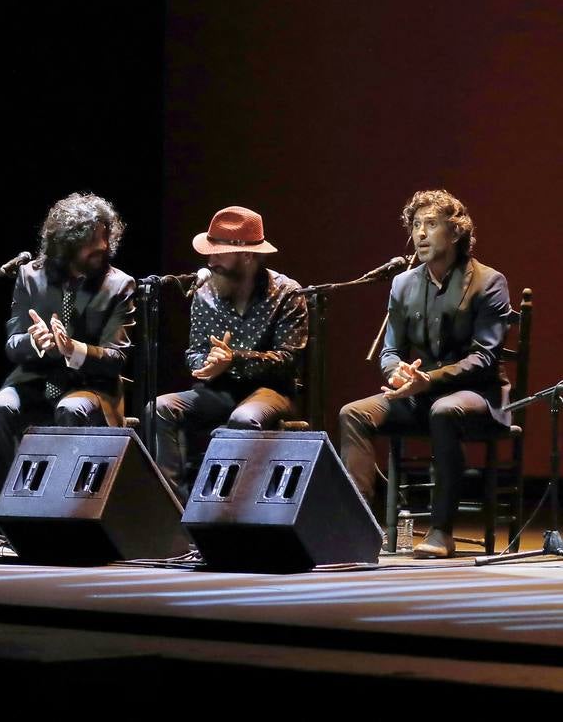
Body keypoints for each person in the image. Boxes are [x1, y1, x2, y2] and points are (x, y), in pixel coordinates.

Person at [339, 190, 511, 558]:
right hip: (421, 392)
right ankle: (358, 526)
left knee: (445, 410)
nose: (420, 233)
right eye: (416, 225)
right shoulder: (403, 283)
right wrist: (397, 372)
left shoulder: (488, 281)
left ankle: (441, 530)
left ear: (455, 233)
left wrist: (428, 380)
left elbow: (485, 357)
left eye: (431, 225)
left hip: (477, 395)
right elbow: (390, 350)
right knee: (353, 413)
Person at [0, 193, 136, 497]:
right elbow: (13, 345)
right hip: (35, 381)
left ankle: (67, 506)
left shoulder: (119, 285)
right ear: (67, 245)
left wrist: (73, 349)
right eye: (92, 241)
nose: (103, 246)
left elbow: (117, 357)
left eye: (105, 237)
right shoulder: (30, 276)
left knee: (71, 407)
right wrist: (34, 342)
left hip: (91, 385)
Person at [154, 205, 308, 502]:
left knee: (244, 417)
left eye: (219, 253)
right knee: (159, 408)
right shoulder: (204, 293)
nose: (211, 261)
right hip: (219, 389)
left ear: (248, 256)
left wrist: (233, 359)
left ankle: (232, 512)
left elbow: (288, 360)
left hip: (271, 391)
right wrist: (206, 366)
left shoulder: (287, 293)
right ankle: (177, 511)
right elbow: (196, 351)